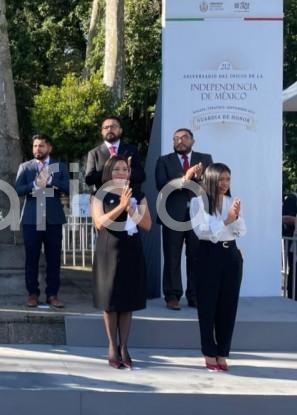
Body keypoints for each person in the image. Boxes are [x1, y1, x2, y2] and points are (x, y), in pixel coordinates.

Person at [91, 156, 151, 369]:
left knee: (127, 301)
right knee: (111, 301)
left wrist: (131, 208)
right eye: (116, 169)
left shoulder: (139, 195)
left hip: (131, 251)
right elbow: (99, 222)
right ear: (109, 172)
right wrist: (121, 207)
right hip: (108, 251)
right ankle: (111, 346)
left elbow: (147, 224)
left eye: (125, 169)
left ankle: (124, 346)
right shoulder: (100, 195)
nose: (121, 172)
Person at [190, 163, 246, 371]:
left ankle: (223, 352)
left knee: (228, 306)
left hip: (231, 255)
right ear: (211, 179)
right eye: (221, 179)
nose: (224, 184)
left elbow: (242, 231)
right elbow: (202, 232)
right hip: (208, 256)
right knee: (207, 306)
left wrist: (236, 218)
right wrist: (226, 220)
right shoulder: (198, 203)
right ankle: (209, 352)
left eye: (228, 179)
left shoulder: (233, 202)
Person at [155, 128, 213, 310]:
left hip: (198, 216)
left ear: (193, 141)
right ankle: (172, 296)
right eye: (176, 138)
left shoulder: (205, 159)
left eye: (184, 138)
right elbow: (161, 185)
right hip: (172, 216)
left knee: (196, 257)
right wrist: (185, 178)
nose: (179, 141)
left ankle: (195, 296)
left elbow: (212, 184)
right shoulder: (164, 160)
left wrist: (200, 177)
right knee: (172, 258)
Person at [15, 134, 70, 308]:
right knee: (31, 259)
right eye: (35, 146)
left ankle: (52, 294)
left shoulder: (59, 166)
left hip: (53, 219)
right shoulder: (25, 167)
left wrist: (52, 180)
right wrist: (35, 185)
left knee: (53, 259)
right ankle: (32, 294)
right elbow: (17, 189)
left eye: (41, 146)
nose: (37, 149)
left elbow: (69, 188)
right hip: (32, 219)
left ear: (49, 148)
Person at [85, 116, 145, 192]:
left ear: (120, 130)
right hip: (103, 198)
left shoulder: (131, 150)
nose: (109, 129)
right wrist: (108, 168)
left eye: (113, 126)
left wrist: (126, 170)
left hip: (128, 196)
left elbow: (141, 176)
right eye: (106, 127)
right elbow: (89, 180)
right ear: (102, 132)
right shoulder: (94, 153)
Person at [282, 192, 297, 300]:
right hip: (293, 243)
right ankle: (292, 298)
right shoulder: (292, 199)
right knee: (294, 272)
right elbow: (282, 218)